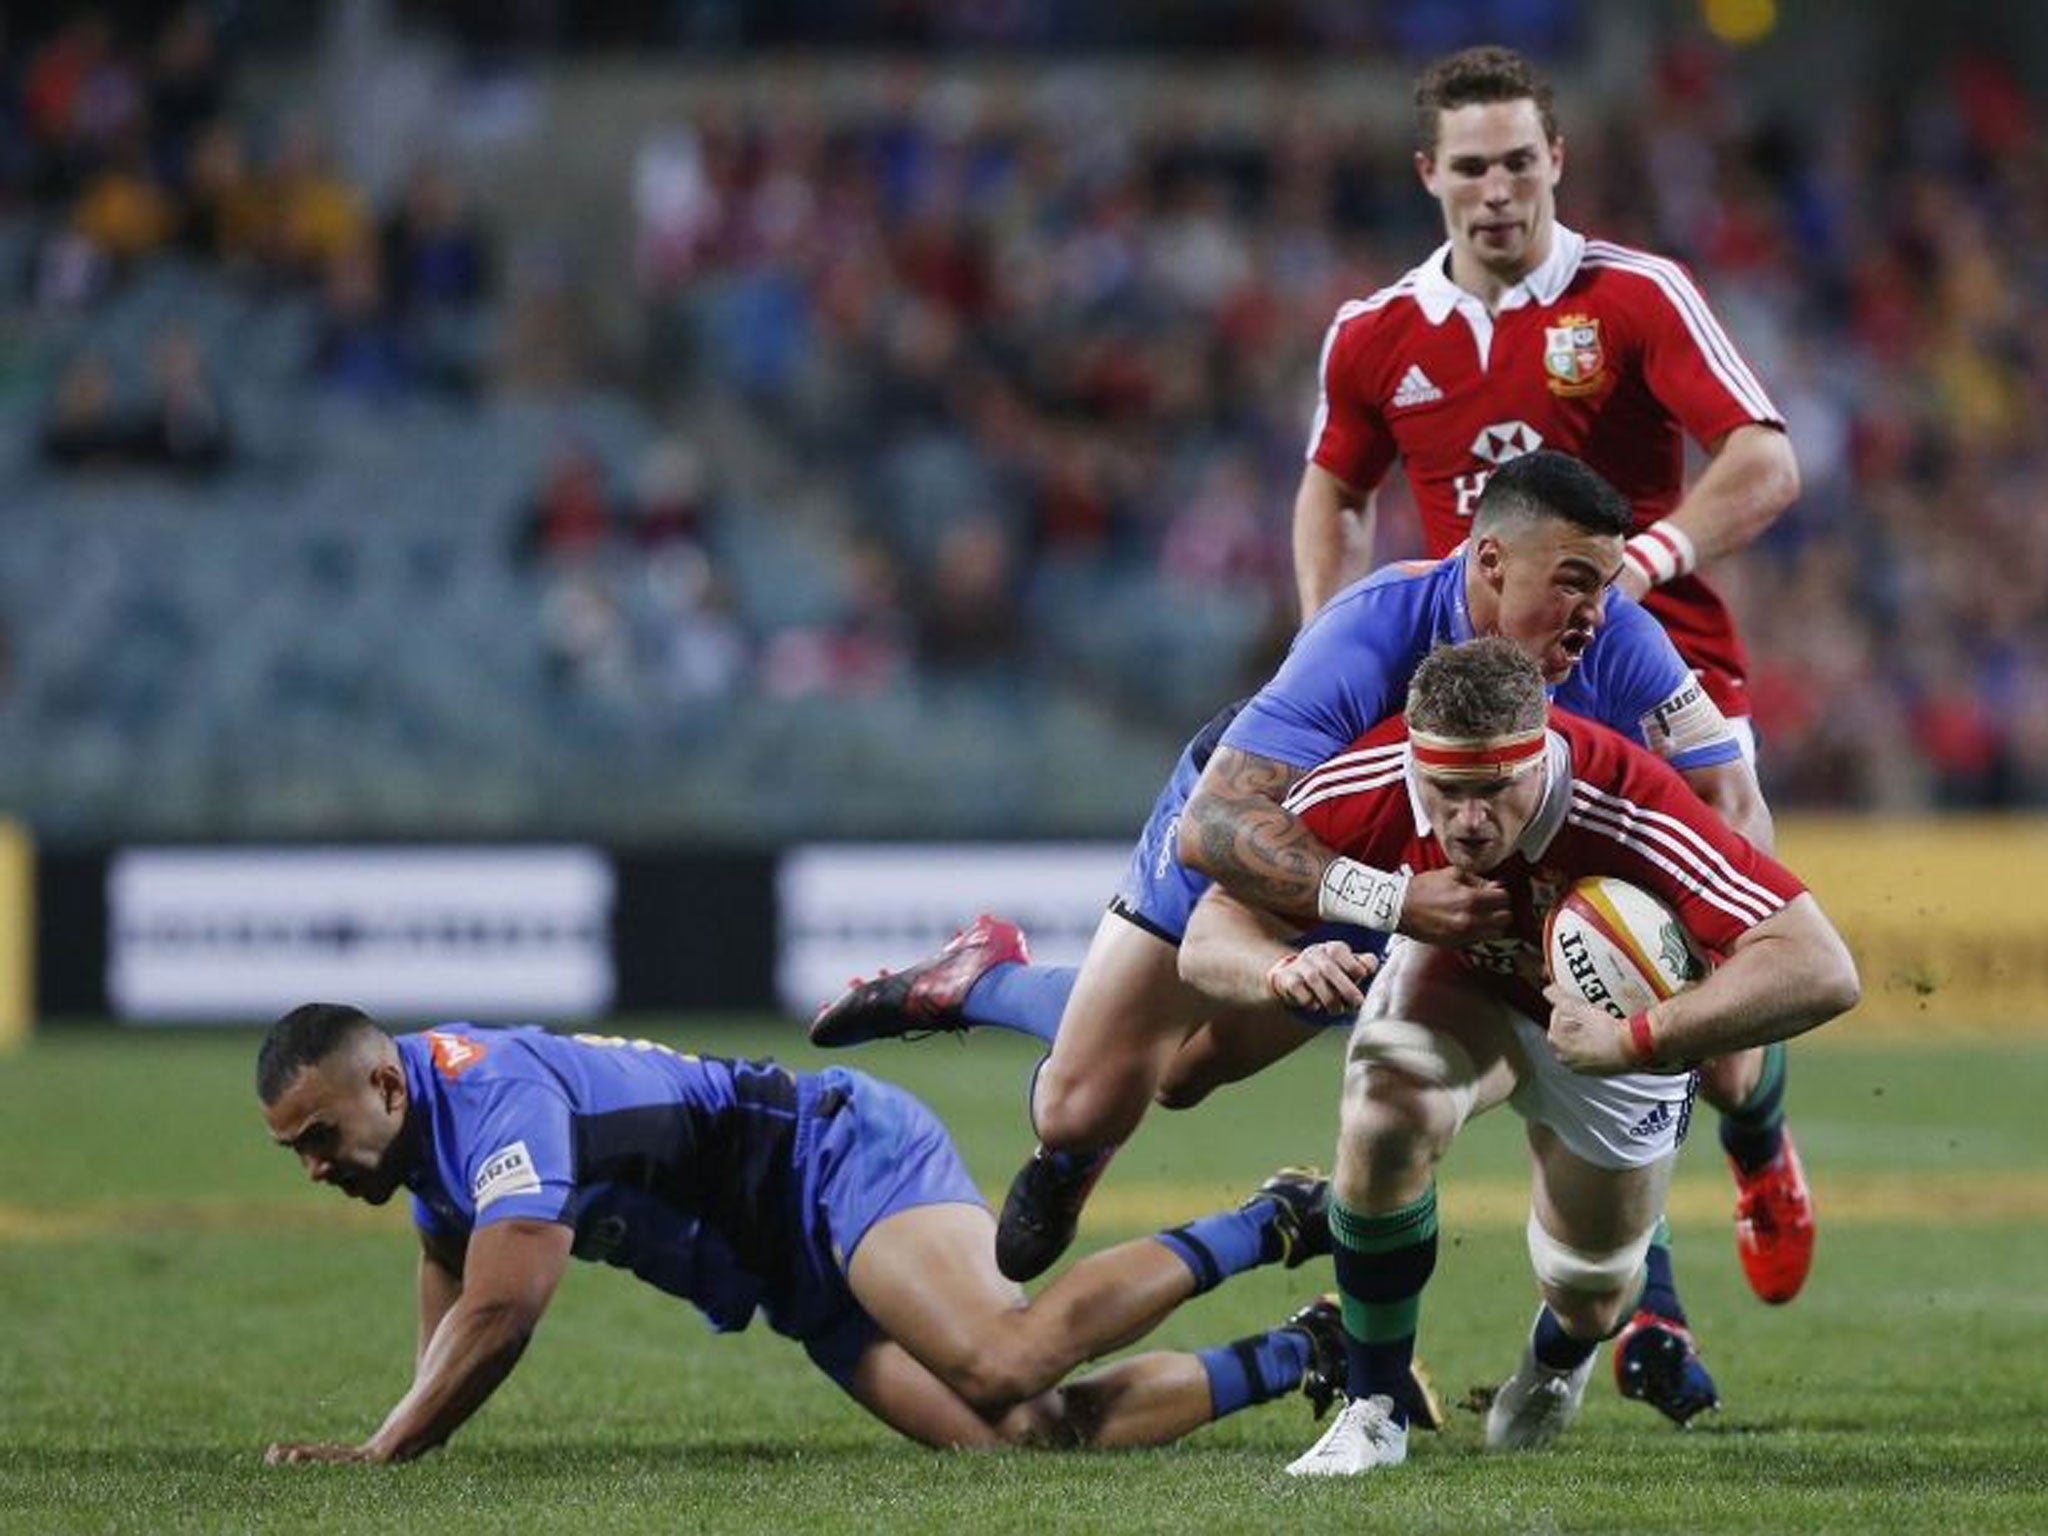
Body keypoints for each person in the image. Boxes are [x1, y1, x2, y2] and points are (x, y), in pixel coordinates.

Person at [813, 451, 1755, 1425]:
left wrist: (1710, 943)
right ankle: (990, 981)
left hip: (1395, 877)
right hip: (1267, 836)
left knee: (1187, 1075)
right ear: (1484, 564)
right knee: (1078, 1105)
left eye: (1602, 584)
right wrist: (1376, 900)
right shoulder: (1374, 626)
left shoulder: (1620, 637)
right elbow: (1215, 827)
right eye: (1569, 581)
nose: (1594, 611)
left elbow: (1731, 800)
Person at [1282, 43, 1811, 1312]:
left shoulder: (1634, 298)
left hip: (1653, 675)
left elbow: (1762, 459)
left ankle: (1755, 1146)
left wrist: (1644, 562)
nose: (1499, 188)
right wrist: (1330, 650)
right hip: (1481, 707)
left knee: (1707, 993)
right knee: (1526, 980)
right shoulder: (1374, 334)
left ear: (1556, 160)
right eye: (1471, 166)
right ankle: (1643, 1299)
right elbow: (1332, 488)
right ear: (1429, 175)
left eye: (1521, 160)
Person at [1174, 639, 1858, 1475]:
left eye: (1495, 791)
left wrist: (1636, 1039)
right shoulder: (1376, 778)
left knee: (1592, 1290)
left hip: (1616, 1032)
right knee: (1388, 1112)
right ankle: (1374, 1406)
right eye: (1447, 792)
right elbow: (1210, 932)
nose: (1466, 821)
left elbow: (1822, 967)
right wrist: (1280, 965)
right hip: (1462, 982)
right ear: (1416, 759)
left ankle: (1561, 1357)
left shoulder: (1627, 806)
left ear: (1540, 756)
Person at [253, 1004, 1394, 1464]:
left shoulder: (491, 1093)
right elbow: (447, 1266)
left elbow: (501, 1305)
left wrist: (384, 1451)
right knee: (1022, 1436)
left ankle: (1274, 1216)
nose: (312, 1167)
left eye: (318, 1134)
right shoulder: (424, 1150)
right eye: (292, 1151)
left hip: (830, 1160)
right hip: (785, 1267)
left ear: (386, 1087)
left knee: (1002, 1357)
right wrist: (413, 1418)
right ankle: (1310, 1352)